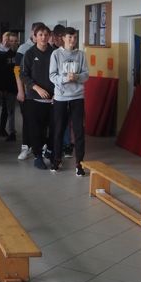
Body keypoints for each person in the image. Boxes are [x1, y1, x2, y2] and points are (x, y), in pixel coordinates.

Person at [48, 27, 89, 175]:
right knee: (59, 129)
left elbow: (86, 75)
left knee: (79, 131)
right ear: (63, 38)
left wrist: (77, 77)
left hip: (77, 97)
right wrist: (66, 78)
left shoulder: (81, 55)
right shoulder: (56, 54)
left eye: (75, 37)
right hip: (61, 97)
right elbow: (52, 76)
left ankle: (79, 164)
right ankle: (57, 160)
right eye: (70, 37)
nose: (73, 40)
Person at [21, 24, 55, 170]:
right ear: (35, 37)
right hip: (34, 98)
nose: (43, 37)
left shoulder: (54, 53)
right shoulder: (29, 53)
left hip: (53, 99)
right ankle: (38, 156)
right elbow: (24, 75)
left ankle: (50, 151)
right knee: (36, 130)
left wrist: (57, 93)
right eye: (40, 35)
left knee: (54, 128)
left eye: (46, 35)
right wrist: (36, 88)